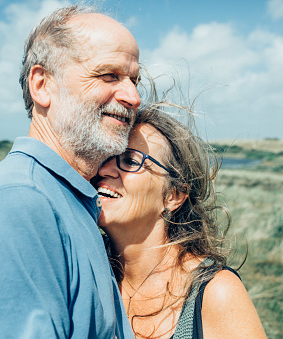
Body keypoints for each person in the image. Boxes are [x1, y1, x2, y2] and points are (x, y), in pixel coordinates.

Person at [0, 5, 140, 338]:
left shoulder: (65, 199)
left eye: (134, 79)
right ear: (42, 85)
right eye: (109, 75)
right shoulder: (15, 204)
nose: (133, 96)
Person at [93, 104, 267, 338]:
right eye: (106, 155)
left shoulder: (215, 293)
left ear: (173, 196)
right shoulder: (86, 271)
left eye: (130, 161)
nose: (105, 169)